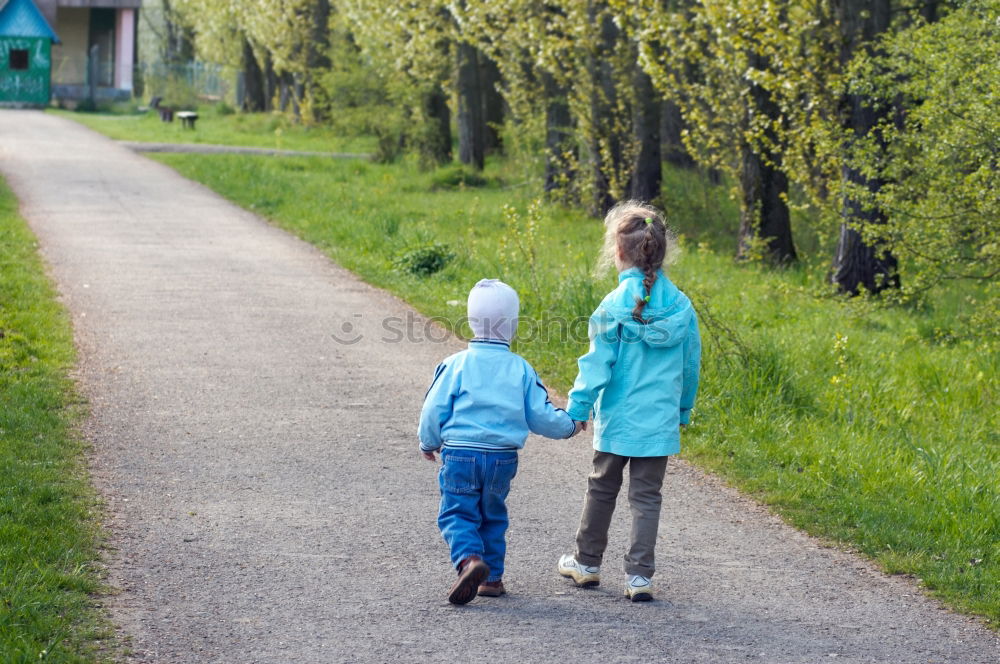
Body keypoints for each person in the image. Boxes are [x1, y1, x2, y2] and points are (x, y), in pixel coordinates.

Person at [558, 200, 701, 602]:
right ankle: (639, 577)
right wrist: (682, 408)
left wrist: (578, 408)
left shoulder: (613, 306)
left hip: (618, 421)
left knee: (602, 488)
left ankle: (586, 564)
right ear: (661, 250)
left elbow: (596, 365)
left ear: (619, 252)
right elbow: (691, 366)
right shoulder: (682, 306)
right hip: (658, 423)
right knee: (647, 496)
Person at [419, 278, 581, 605]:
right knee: (492, 515)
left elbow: (434, 407)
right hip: (502, 459)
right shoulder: (521, 369)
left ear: (470, 321)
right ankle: (491, 579)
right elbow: (540, 415)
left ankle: (469, 561)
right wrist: (570, 425)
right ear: (513, 326)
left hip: (460, 454)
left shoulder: (455, 365)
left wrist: (428, 441)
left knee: (458, 513)